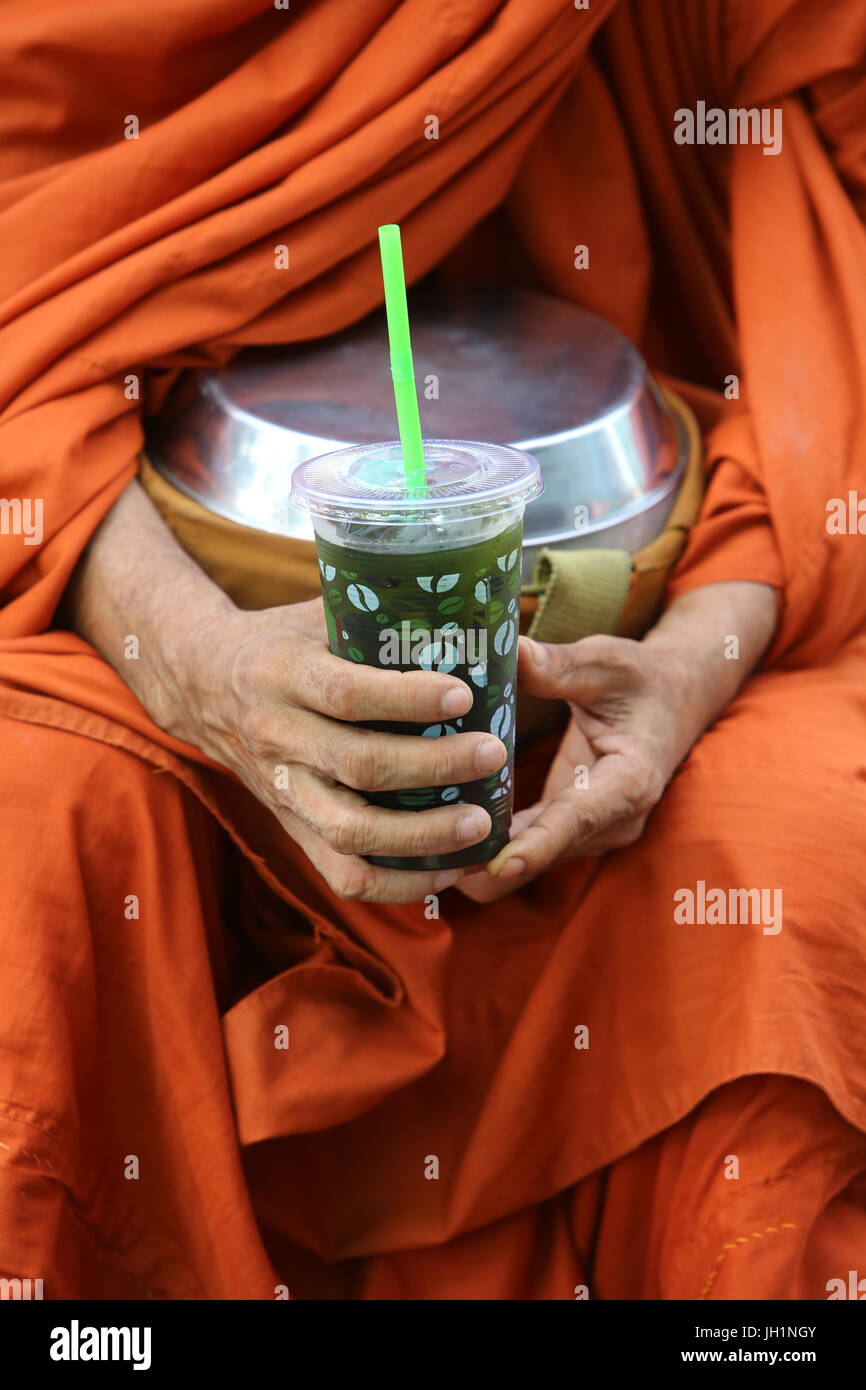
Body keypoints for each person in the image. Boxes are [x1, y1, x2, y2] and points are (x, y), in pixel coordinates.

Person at [1, 0, 865, 1299]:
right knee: (41, 837)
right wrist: (198, 664)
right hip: (103, 573)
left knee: (796, 851)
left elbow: (825, 298)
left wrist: (700, 641)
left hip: (675, 567)